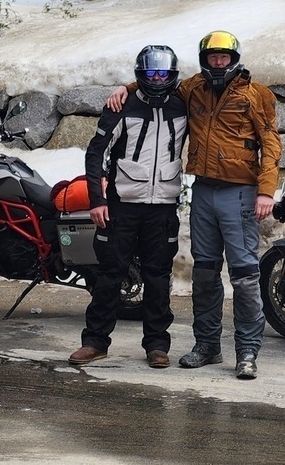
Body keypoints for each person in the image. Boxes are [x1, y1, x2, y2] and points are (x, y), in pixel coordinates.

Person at [106, 29, 279, 379]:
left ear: (234, 59)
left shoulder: (257, 95)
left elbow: (272, 144)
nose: (219, 62)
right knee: (204, 272)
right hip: (202, 191)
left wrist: (266, 191)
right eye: (213, 57)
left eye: (224, 57)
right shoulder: (193, 88)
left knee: (245, 274)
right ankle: (207, 345)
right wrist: (127, 86)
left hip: (241, 193)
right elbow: (158, 81)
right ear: (204, 60)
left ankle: (247, 351)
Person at [70, 45, 188, 369]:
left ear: (173, 74)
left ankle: (156, 345)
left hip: (163, 206)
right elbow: (96, 154)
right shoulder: (123, 105)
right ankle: (95, 342)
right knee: (110, 274)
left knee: (158, 277)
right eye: (151, 71)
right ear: (140, 73)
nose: (157, 77)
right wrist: (97, 198)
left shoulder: (183, 105)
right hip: (122, 205)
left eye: (163, 71)